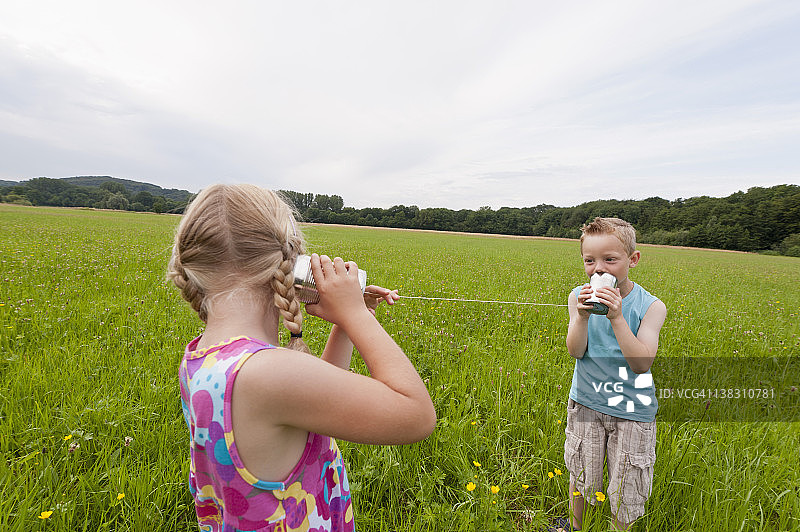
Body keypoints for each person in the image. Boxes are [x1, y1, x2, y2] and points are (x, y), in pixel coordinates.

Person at [167, 184, 436, 532]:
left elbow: (310, 397)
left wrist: (348, 322)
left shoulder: (204, 359)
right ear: (292, 266)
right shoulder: (267, 373)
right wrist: (357, 316)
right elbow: (415, 415)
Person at [556, 217, 667, 532]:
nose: (599, 269)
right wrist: (579, 318)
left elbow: (642, 363)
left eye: (610, 259)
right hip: (586, 402)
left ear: (633, 260)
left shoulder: (651, 307)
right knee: (581, 471)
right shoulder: (578, 295)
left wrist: (617, 317)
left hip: (631, 412)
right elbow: (576, 351)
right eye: (590, 261)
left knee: (628, 482)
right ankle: (575, 527)